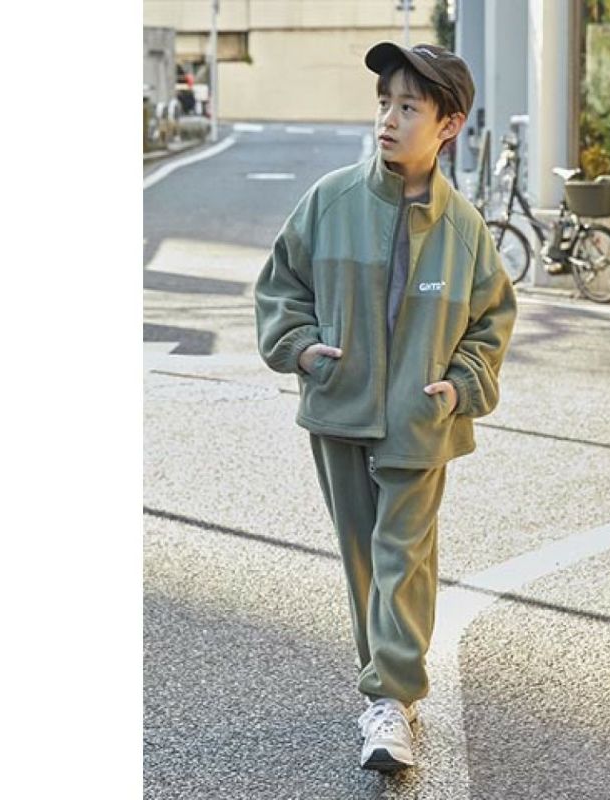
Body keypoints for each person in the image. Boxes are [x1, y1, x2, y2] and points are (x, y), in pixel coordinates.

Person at [254, 41, 517, 772]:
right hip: (340, 404)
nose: (388, 120)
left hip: (421, 416)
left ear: (449, 125)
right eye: (383, 104)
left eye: (408, 107)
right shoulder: (330, 200)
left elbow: (493, 318)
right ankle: (387, 693)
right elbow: (281, 285)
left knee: (403, 554)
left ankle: (390, 699)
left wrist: (460, 383)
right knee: (364, 556)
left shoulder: (464, 228)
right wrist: (302, 348)